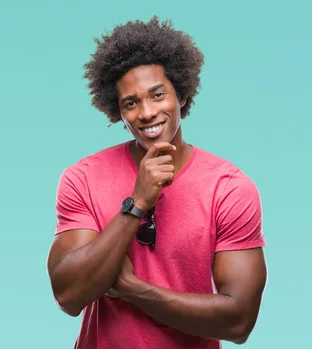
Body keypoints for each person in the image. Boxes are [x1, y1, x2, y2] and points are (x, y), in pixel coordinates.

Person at [46, 16, 267, 349]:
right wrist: (136, 205)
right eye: (130, 103)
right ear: (117, 112)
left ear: (181, 95)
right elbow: (69, 297)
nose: (147, 112)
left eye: (158, 95)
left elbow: (239, 322)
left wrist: (134, 290)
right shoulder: (84, 178)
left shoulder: (229, 188)